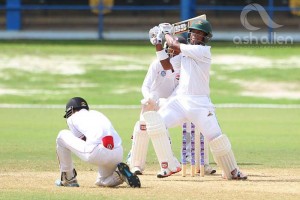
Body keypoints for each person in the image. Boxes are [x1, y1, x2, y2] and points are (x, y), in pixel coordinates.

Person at [143, 19, 247, 180]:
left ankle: (232, 170)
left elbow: (176, 46)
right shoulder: (184, 55)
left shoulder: (203, 51)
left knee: (216, 138)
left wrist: (167, 33)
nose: (196, 35)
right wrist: (157, 44)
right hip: (180, 102)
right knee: (156, 124)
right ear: (190, 34)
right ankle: (170, 164)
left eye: (200, 33)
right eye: (194, 32)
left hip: (200, 104)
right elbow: (165, 65)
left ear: (205, 37)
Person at [127, 35, 185, 177]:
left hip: (169, 103)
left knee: (160, 129)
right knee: (142, 127)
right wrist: (149, 97)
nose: (174, 52)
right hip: (152, 101)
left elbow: (180, 89)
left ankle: (168, 164)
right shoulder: (157, 63)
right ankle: (135, 164)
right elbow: (145, 85)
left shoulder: (184, 66)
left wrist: (167, 101)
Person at [55, 97, 141, 187]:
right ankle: (119, 175)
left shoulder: (72, 118)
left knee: (61, 135)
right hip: (117, 152)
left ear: (70, 110)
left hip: (98, 153)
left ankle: (68, 179)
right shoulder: (97, 113)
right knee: (101, 181)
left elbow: (81, 140)